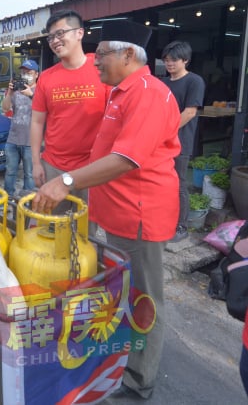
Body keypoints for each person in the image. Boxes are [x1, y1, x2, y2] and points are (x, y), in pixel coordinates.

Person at [31, 20, 181, 400]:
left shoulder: (147, 92)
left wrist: (65, 181)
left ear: (128, 54)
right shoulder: (119, 91)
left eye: (102, 56)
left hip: (139, 213)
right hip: (113, 210)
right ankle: (117, 358)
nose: (95, 63)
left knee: (145, 297)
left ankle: (139, 379)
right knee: (119, 290)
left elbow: (127, 158)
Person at [30, 9, 110, 211]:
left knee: (86, 231)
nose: (54, 40)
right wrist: (36, 163)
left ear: (79, 33)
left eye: (60, 33)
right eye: (50, 37)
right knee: (50, 226)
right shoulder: (46, 77)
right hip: (53, 165)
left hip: (92, 167)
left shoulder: (102, 66)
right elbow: (37, 122)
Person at [160, 41, 205, 241]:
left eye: (174, 60)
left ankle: (181, 226)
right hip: (159, 142)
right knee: (162, 183)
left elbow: (189, 112)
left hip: (180, 141)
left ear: (185, 60)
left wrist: (164, 132)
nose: (169, 64)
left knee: (179, 183)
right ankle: (164, 221)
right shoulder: (162, 82)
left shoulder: (194, 81)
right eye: (166, 60)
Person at [1, 59, 39, 198]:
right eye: (23, 72)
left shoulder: (40, 91)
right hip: (13, 139)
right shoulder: (16, 91)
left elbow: (47, 110)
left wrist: (31, 95)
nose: (25, 75)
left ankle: (27, 200)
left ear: (36, 74)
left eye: (29, 72)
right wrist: (10, 92)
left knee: (29, 174)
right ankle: (8, 198)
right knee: (10, 171)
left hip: (31, 142)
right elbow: (5, 108)